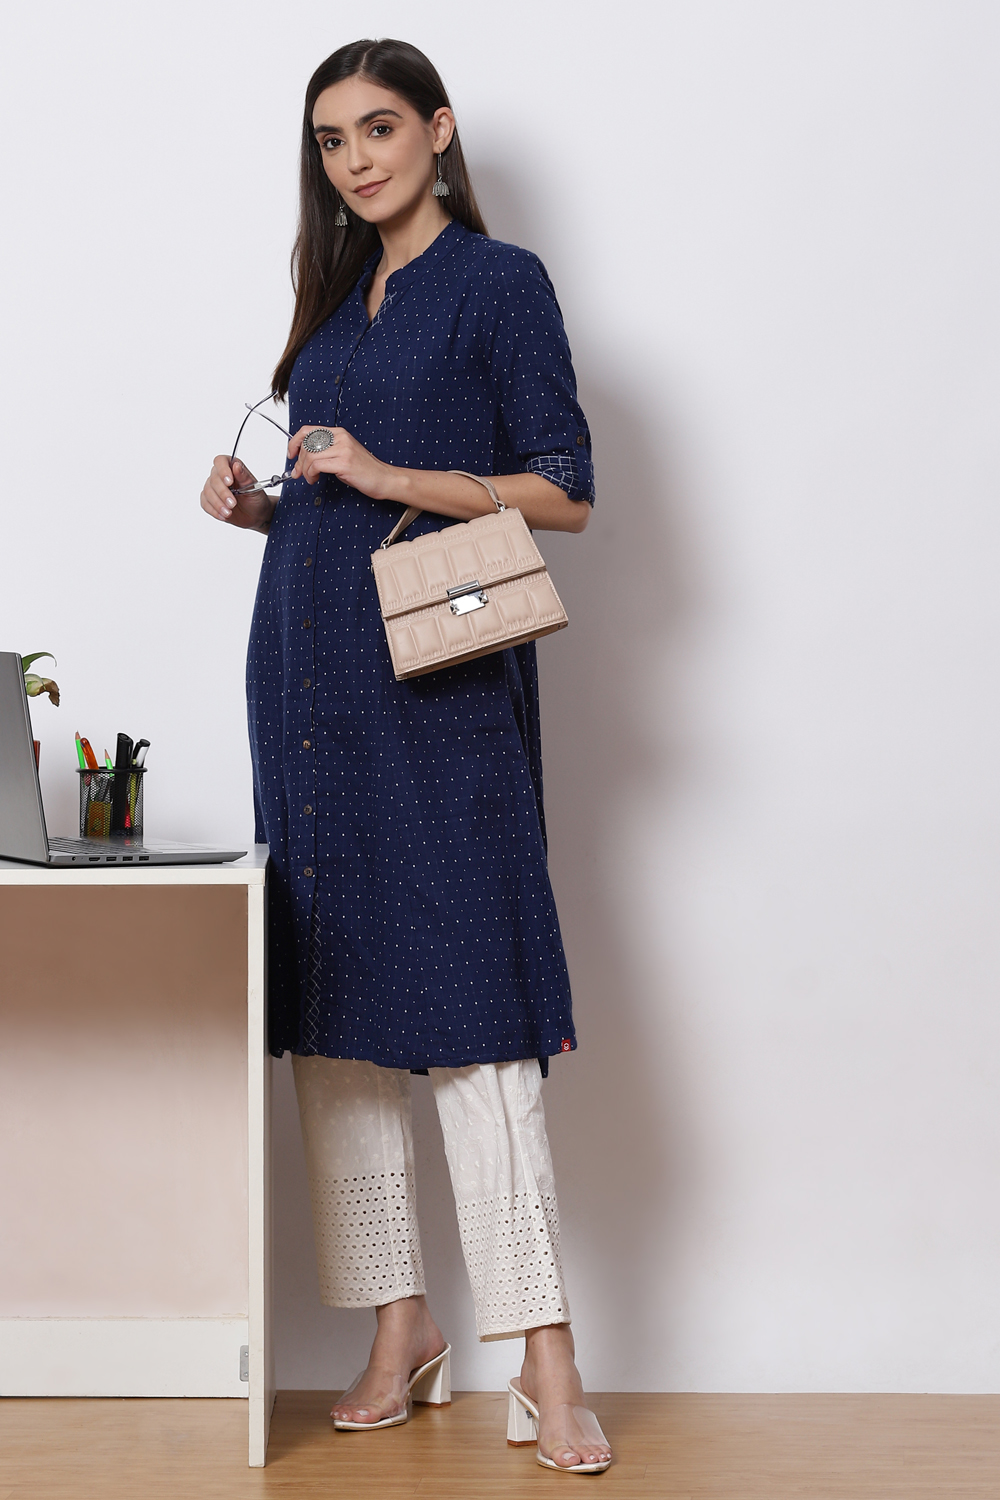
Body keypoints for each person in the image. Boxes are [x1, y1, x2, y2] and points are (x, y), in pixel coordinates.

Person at [200, 37, 611, 1474]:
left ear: (438, 131)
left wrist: (381, 473)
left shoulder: (501, 283)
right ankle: (399, 1324)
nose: (355, 160)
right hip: (307, 690)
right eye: (330, 140)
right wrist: (264, 507)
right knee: (336, 1016)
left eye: (378, 128)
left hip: (437, 694)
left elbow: (565, 490)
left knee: (476, 1017)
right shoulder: (329, 307)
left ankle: (545, 1358)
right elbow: (336, 503)